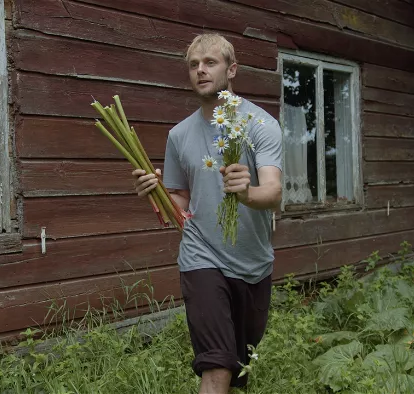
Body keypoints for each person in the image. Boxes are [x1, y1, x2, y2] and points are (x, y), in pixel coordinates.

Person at [132, 34, 283, 394]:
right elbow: (180, 203)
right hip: (201, 256)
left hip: (253, 263)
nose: (200, 70)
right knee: (217, 367)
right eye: (193, 65)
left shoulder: (259, 125)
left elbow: (273, 193)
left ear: (232, 70)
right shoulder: (179, 135)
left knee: (237, 370)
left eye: (210, 63)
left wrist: (245, 193)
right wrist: (155, 194)